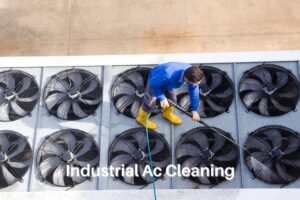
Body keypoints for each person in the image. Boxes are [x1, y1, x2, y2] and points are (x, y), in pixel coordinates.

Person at [136, 62, 204, 130]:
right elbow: (153, 83)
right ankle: (142, 119)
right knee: (150, 103)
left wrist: (194, 110)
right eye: (194, 83)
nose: (196, 85)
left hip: (170, 84)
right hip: (156, 80)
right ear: (186, 79)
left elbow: (194, 91)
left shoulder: (192, 71)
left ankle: (167, 114)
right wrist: (162, 98)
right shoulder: (167, 74)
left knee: (172, 100)